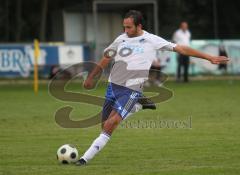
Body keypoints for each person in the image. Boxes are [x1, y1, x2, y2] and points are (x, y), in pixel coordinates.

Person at [75, 10, 229, 166]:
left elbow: (181, 48)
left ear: (139, 26)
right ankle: (137, 106)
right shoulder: (120, 39)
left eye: (129, 27)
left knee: (111, 124)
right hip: (113, 86)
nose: (125, 31)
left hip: (132, 89)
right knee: (105, 126)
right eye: (124, 27)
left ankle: (84, 159)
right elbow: (106, 57)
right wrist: (90, 78)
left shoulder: (151, 40)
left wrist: (209, 57)